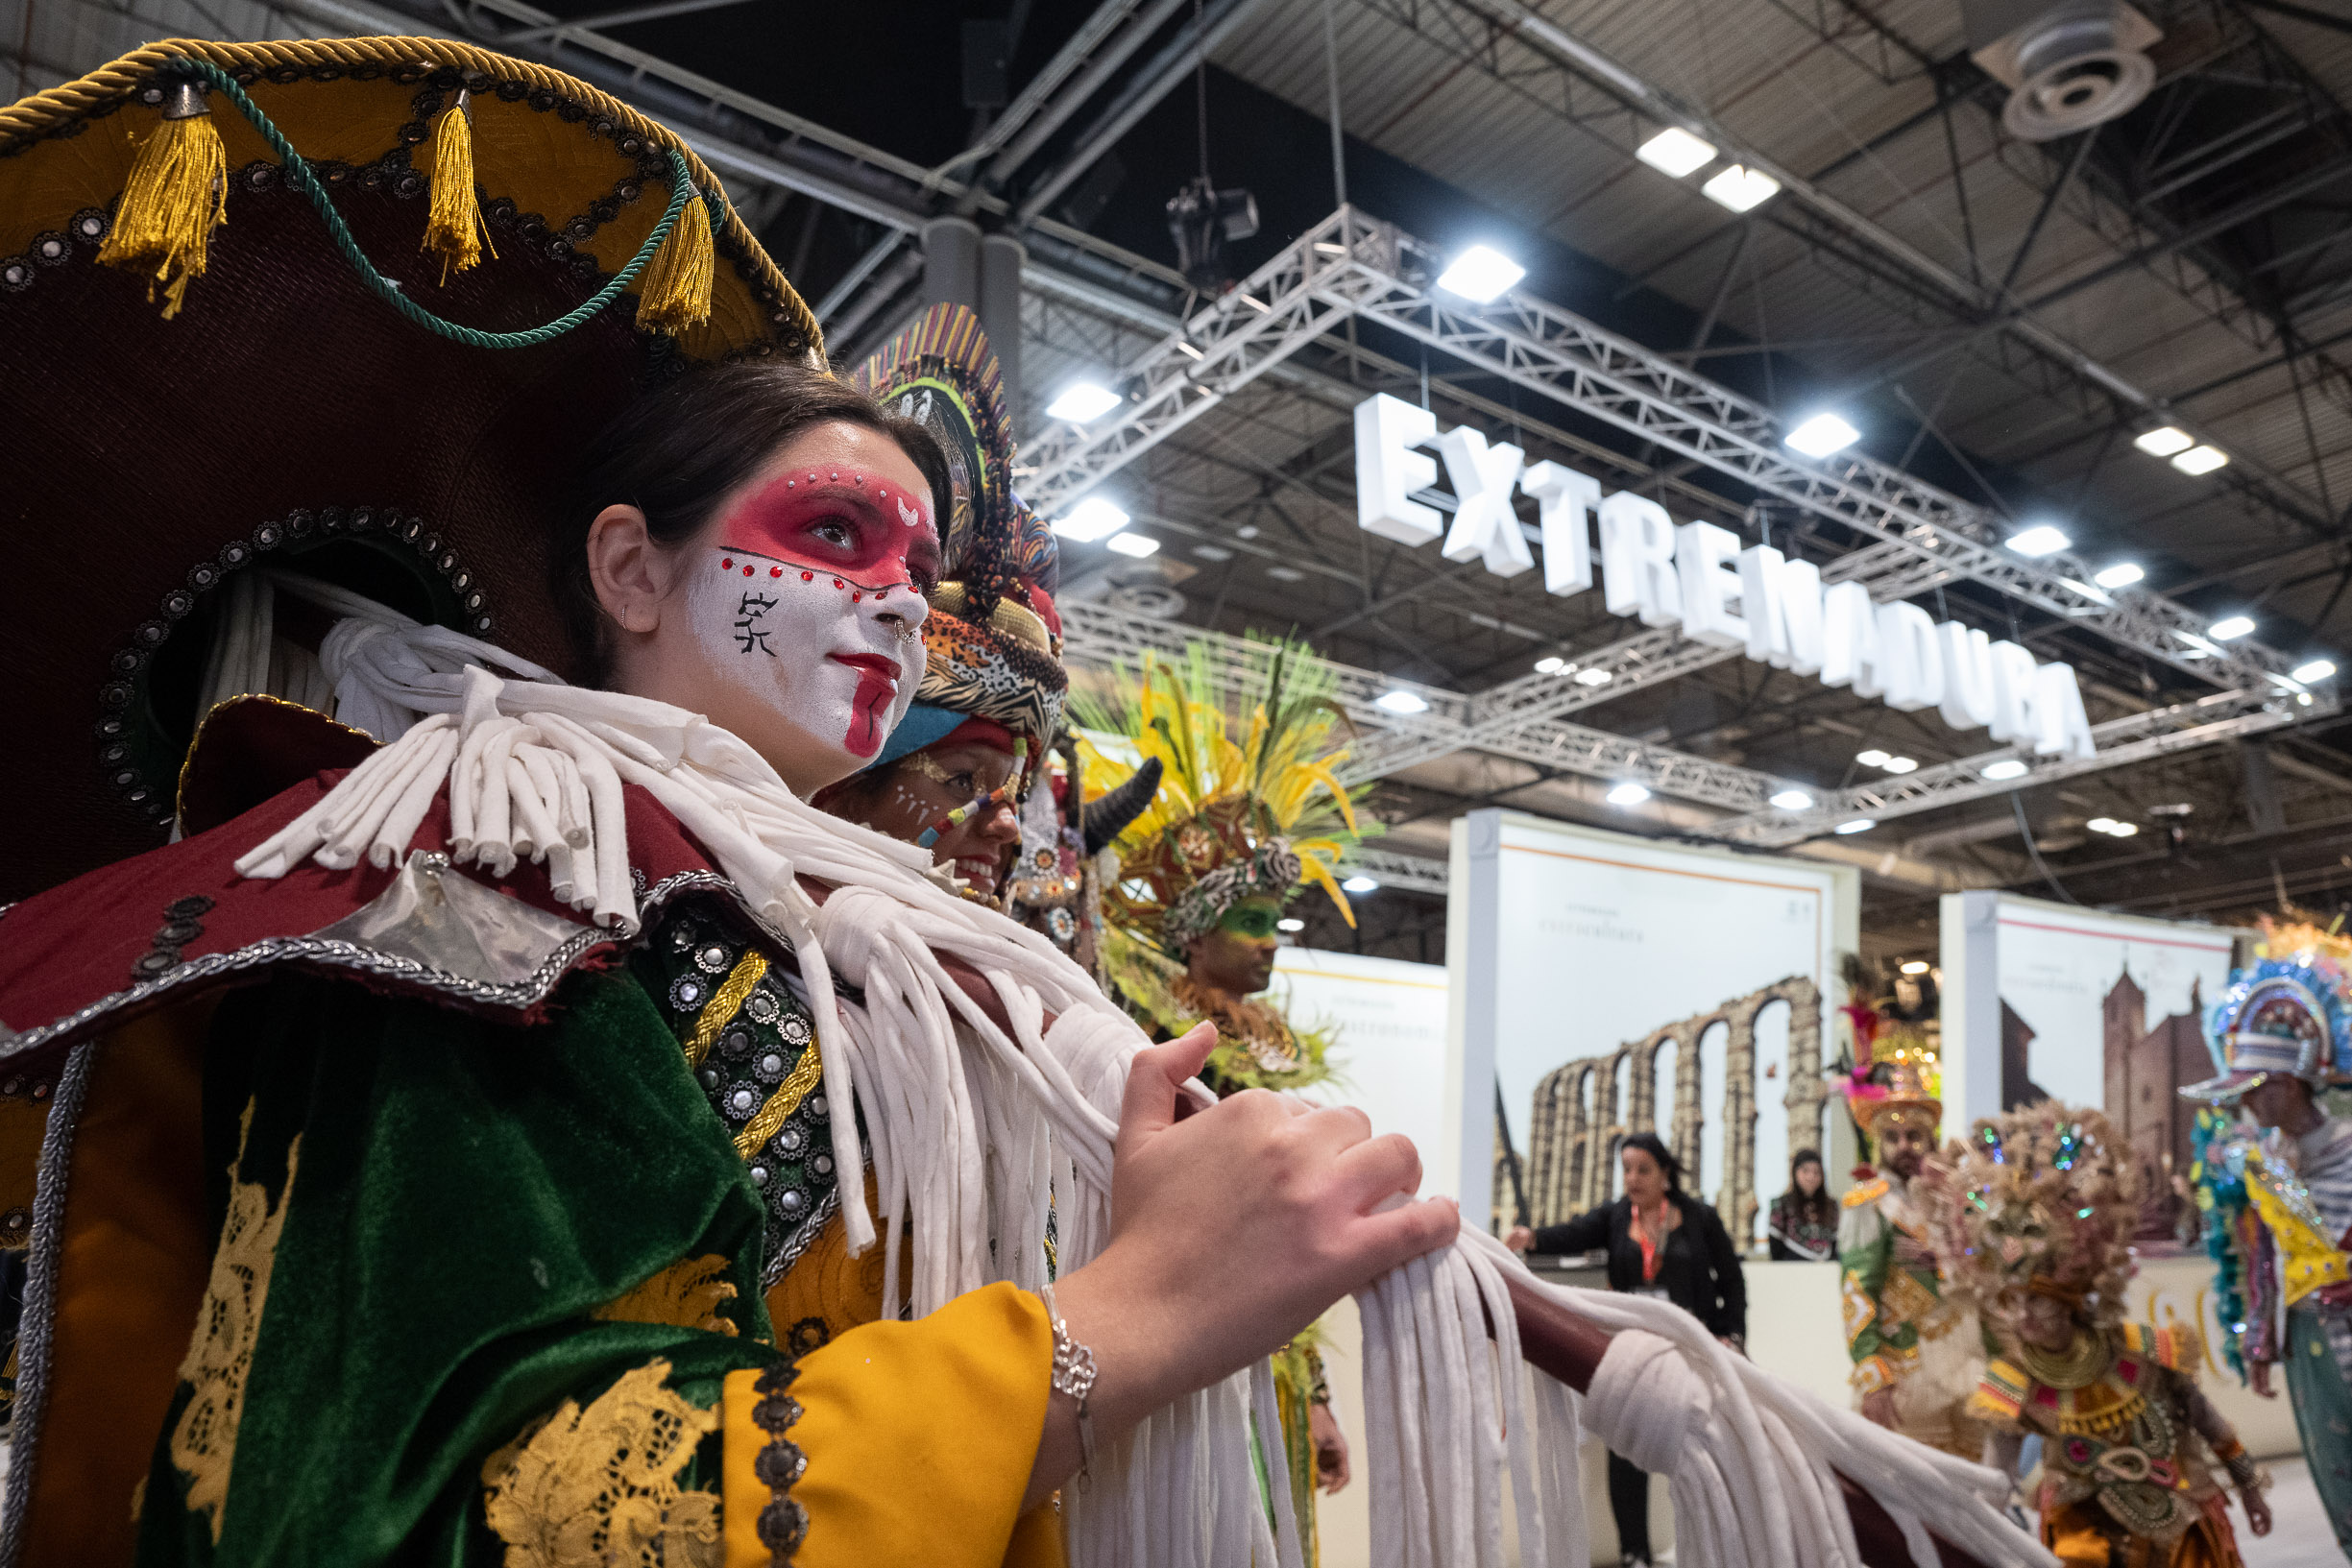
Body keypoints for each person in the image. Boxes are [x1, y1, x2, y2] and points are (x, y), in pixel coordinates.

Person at [0, 41, 1458, 1566]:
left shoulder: (844, 925)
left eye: (915, 572)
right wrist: (1126, 1321)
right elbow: (462, 1505)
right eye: (834, 536)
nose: (897, 608)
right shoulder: (485, 871)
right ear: (630, 569)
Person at [1080, 639, 1369, 1548]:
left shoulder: (1270, 1057)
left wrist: (1315, 1395)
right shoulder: (1133, 1033)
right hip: (1161, 1350)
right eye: (1249, 923)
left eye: (1275, 924)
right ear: (1192, 940)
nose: (1271, 943)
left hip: (1266, 1357)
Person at [1927, 1104, 2272, 1566]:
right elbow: (1997, 1476)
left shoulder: (2145, 1349)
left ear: (2069, 1302)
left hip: (2182, 1525)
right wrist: (1974, 1535)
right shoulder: (2012, 1380)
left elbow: (2210, 1424)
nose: (2024, 1315)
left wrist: (2249, 1488)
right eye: (2014, 1302)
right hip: (2082, 1538)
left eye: (2039, 1301)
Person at [2180, 928, 2352, 1560]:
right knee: (2335, 1469)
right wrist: (2257, 1344)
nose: (2250, 1100)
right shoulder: (2263, 1164)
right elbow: (2263, 1260)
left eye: (2260, 1086)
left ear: (2293, 1082)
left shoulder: (2347, 1150)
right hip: (2308, 1340)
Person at [1503, 1132, 1747, 1568]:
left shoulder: (1700, 1218)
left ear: (1665, 1174)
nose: (1632, 1178)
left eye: (1643, 1170)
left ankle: (1708, 1551)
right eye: (1627, 1169)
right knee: (1626, 1445)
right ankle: (1634, 1552)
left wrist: (1732, 1334)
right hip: (1632, 1347)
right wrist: (1532, 1238)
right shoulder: (1616, 1217)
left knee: (1697, 1447)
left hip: (1689, 1348)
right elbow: (1573, 1234)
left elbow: (1732, 1280)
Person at [1838, 1019, 1987, 1459]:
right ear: (1879, 1143)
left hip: (1967, 1364)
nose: (1905, 1145)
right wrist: (1872, 1374)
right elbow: (1857, 1292)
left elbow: (1985, 1270)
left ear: (1930, 1139)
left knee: (1977, 1489)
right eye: (1893, 1137)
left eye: (1914, 1136)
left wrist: (1946, 1254)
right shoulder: (1869, 1204)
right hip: (1907, 1377)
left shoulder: (1956, 1198)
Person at [1769, 1147, 1838, 1262]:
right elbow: (1776, 1251)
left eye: (1816, 1172)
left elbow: (1835, 1244)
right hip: (1792, 1269)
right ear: (1795, 1172)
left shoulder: (1832, 1206)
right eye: (1805, 1171)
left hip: (1825, 1271)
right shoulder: (1781, 1205)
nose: (1811, 1177)